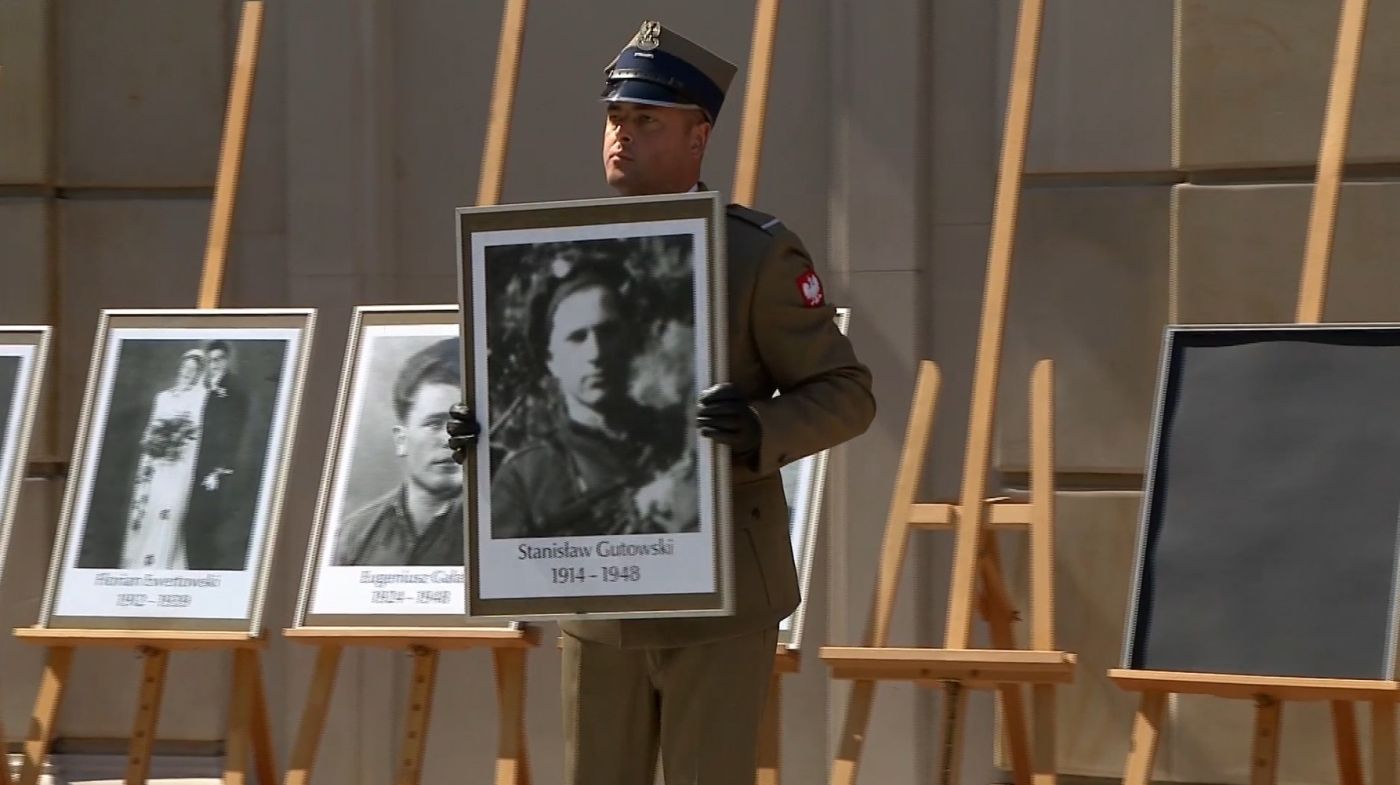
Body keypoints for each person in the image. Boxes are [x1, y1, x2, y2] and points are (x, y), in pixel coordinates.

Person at [447, 21, 876, 784]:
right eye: (615, 117)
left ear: (698, 134)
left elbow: (847, 394)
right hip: (595, 593)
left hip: (718, 596)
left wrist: (758, 429)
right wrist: (483, 435)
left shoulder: (752, 253)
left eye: (647, 120)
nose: (623, 135)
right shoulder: (560, 252)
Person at [489, 262, 694, 539]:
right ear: (552, 362)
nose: (595, 353)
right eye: (577, 338)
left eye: (607, 332)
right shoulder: (525, 478)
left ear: (630, 340)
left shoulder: (681, 438)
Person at [335, 337, 465, 566]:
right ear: (401, 440)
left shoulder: (506, 527)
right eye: (435, 424)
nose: (449, 439)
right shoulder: (352, 538)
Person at [122, 348, 210, 570]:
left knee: (169, 510)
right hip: (157, 462)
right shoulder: (162, 397)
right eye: (186, 367)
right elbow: (151, 430)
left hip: (180, 464)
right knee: (151, 507)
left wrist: (176, 444)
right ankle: (142, 561)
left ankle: (164, 561)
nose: (188, 373)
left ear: (199, 373)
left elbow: (196, 433)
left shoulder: (200, 398)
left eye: (194, 369)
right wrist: (154, 447)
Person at [182, 340, 250, 570]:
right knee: (193, 520)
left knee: (207, 523)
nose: (215, 365)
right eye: (211, 361)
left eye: (219, 360)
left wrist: (218, 470)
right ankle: (196, 567)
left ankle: (206, 571)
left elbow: (233, 433)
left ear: (227, 360)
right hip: (196, 463)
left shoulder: (235, 390)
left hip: (215, 469)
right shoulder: (206, 387)